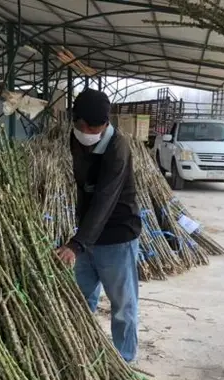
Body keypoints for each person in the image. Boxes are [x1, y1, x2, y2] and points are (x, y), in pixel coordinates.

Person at [55, 89, 142, 363]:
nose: (90, 131)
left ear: (106, 123)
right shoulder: (75, 138)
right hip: (87, 234)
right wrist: (81, 236)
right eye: (84, 126)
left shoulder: (118, 148)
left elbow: (105, 198)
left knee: (122, 305)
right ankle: (82, 354)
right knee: (80, 299)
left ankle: (125, 361)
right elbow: (83, 188)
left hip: (117, 236)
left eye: (97, 126)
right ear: (75, 121)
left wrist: (78, 243)